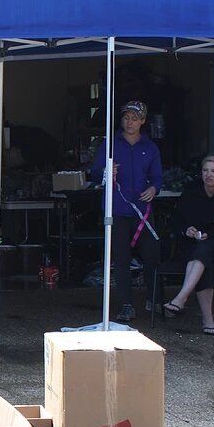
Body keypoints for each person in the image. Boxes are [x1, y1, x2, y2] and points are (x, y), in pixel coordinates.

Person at [90, 100, 162, 322]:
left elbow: (158, 176)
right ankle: (126, 305)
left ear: (142, 121)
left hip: (142, 210)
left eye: (134, 118)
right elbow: (93, 174)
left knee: (152, 253)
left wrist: (153, 188)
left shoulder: (150, 147)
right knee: (121, 258)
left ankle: (155, 300)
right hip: (117, 208)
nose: (129, 122)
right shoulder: (111, 144)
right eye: (125, 117)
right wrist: (106, 172)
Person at [161, 154, 214, 333]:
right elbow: (176, 219)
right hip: (193, 247)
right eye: (205, 170)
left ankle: (181, 298)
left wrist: (209, 234)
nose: (208, 175)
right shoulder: (191, 192)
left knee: (204, 252)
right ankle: (208, 324)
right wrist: (186, 229)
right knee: (203, 258)